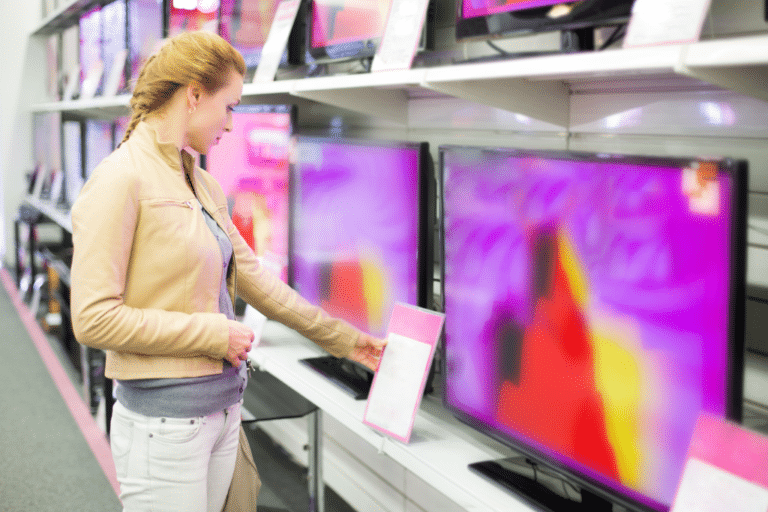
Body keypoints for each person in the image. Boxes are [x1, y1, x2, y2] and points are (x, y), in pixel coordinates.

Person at [69, 30, 386, 512]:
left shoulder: (202, 184)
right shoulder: (120, 179)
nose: (233, 124)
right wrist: (212, 334)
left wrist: (347, 341)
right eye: (230, 106)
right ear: (194, 95)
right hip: (165, 428)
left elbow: (258, 283)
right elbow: (93, 319)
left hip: (220, 411)